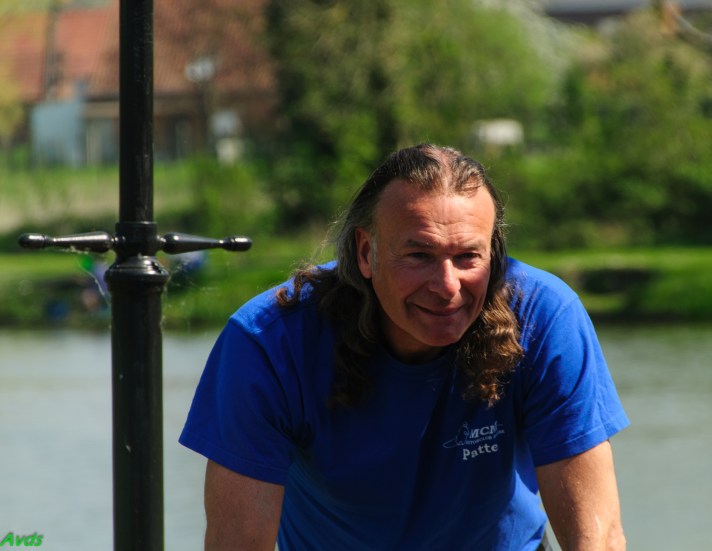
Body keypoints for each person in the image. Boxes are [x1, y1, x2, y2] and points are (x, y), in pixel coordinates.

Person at [179, 144, 629, 550]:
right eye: (419, 256)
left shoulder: (546, 317)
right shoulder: (266, 342)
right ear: (365, 252)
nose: (447, 286)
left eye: (468, 256)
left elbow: (597, 539)